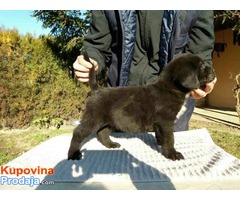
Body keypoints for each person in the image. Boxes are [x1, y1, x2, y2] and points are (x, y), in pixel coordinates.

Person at [72, 10, 217, 131]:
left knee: (168, 158)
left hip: (173, 109)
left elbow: (200, 53)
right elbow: (97, 44)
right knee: (117, 159)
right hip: (122, 104)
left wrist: (202, 81)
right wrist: (90, 60)